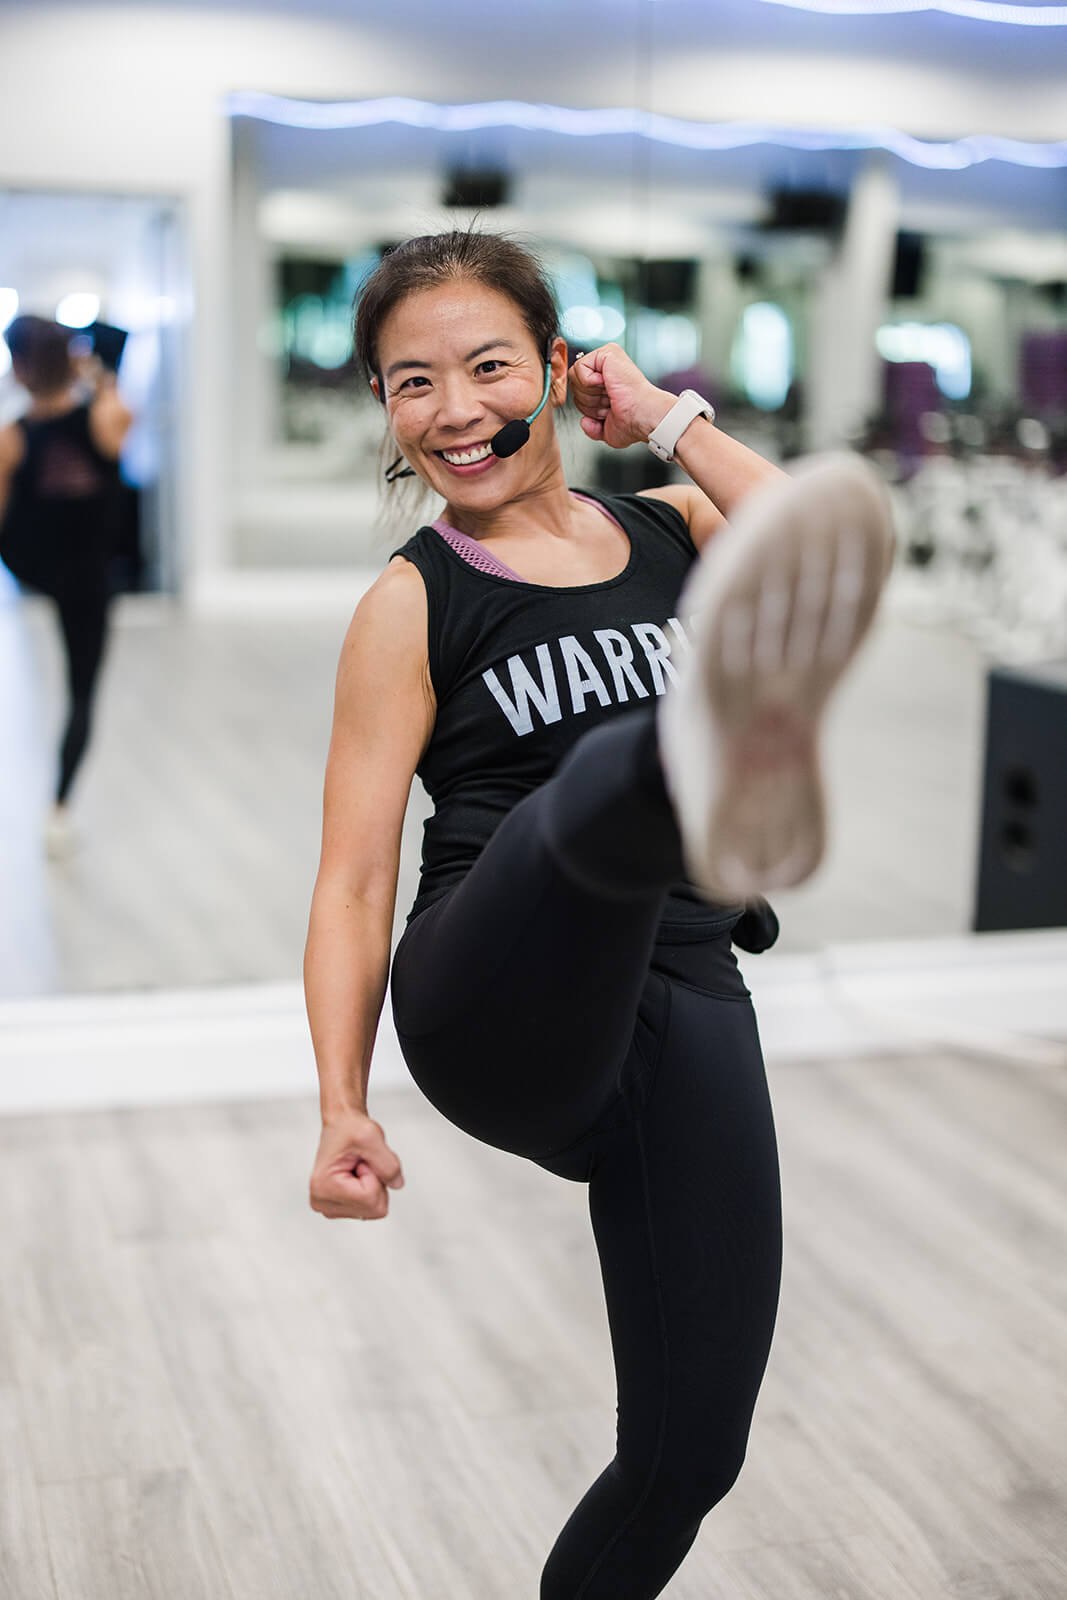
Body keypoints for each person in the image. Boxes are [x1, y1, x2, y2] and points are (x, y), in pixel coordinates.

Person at [303, 230, 894, 1600]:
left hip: (679, 991)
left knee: (688, 1455)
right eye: (409, 383)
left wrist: (665, 421)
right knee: (588, 808)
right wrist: (341, 1104)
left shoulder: (671, 530)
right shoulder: (412, 603)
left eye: (486, 366)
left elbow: (817, 542)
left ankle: (697, 783)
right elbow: (349, 880)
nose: (451, 411)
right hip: (491, 990)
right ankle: (687, 771)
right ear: (386, 411)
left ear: (559, 368)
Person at [0, 314, 132, 857]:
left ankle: (57, 806)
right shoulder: (97, 416)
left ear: (25, 368)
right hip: (68, 576)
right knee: (83, 692)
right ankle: (58, 808)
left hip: (60, 574)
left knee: (81, 692)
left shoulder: (15, 437)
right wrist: (93, 375)